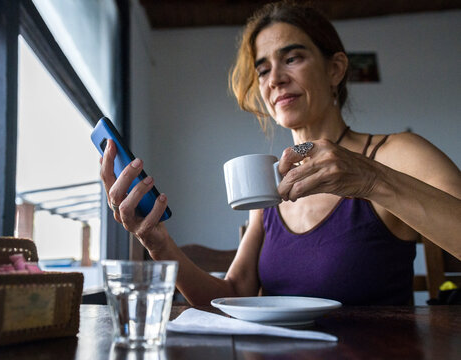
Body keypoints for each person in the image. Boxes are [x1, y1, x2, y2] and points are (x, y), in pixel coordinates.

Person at [99, 1, 461, 306]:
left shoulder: (395, 153)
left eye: (292, 58)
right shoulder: (268, 186)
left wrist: (371, 179)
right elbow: (233, 294)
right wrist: (158, 243)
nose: (275, 79)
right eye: (264, 69)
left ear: (335, 69)